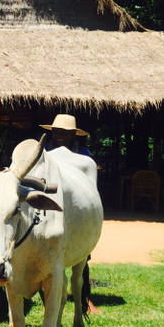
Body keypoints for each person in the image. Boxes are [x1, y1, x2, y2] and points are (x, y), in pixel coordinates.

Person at [40, 114, 101, 315]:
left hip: (76, 216)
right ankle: (49, 304)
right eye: (57, 132)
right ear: (52, 132)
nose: (60, 136)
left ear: (74, 135)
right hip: (46, 213)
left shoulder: (83, 157)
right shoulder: (41, 153)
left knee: (82, 262)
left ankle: (84, 300)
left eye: (65, 133)